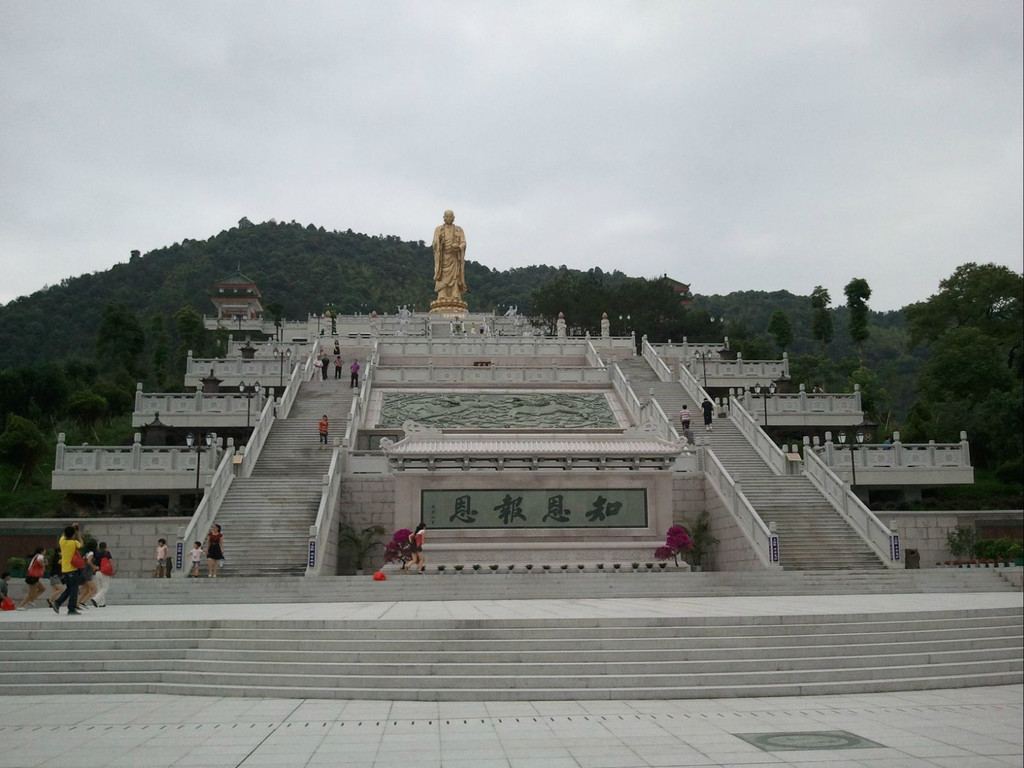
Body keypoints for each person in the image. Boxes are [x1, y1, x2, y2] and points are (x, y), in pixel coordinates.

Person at [432, 210, 468, 305]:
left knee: (455, 276)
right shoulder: (439, 229)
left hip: (454, 257)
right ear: (444, 218)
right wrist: (439, 242)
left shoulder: (458, 230)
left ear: (453, 218)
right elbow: (435, 244)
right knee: (442, 275)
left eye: (450, 217)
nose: (448, 219)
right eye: (447, 217)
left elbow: (463, 242)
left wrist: (459, 247)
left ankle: (455, 294)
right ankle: (442, 294)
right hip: (442, 258)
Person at [52, 524, 84, 616]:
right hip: (72, 570)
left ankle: (57, 603)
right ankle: (71, 608)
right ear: (73, 535)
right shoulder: (73, 543)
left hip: (65, 570)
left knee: (69, 588)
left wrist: (71, 527)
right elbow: (81, 544)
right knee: (74, 590)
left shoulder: (61, 541)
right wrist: (78, 534)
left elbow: (64, 534)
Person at [92, 542, 113, 607]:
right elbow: (110, 561)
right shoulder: (107, 553)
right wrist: (111, 569)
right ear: (105, 547)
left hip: (97, 572)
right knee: (105, 588)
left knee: (100, 587)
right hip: (104, 572)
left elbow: (95, 563)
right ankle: (95, 599)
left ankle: (101, 603)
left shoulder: (97, 554)